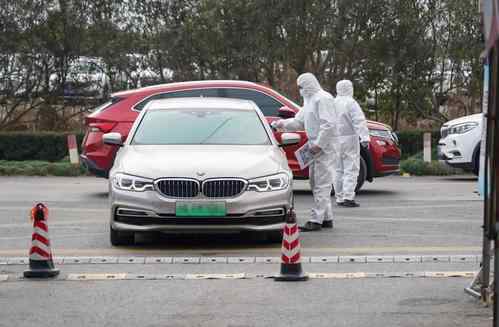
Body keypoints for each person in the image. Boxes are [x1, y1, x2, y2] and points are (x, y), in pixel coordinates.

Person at [273, 73, 336, 231]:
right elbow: (298, 121)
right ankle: (326, 217)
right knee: (316, 182)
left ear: (308, 84)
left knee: (322, 183)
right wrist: (280, 124)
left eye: (301, 86)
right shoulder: (309, 101)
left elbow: (328, 125)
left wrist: (319, 144)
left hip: (325, 147)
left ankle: (316, 220)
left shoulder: (323, 98)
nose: (300, 90)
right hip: (314, 145)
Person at [331, 80, 370, 207]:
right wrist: (364, 138)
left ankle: (339, 198)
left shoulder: (333, 102)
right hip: (350, 139)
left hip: (335, 140)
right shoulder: (351, 103)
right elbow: (359, 121)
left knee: (337, 170)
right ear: (349, 88)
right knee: (351, 169)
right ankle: (348, 197)